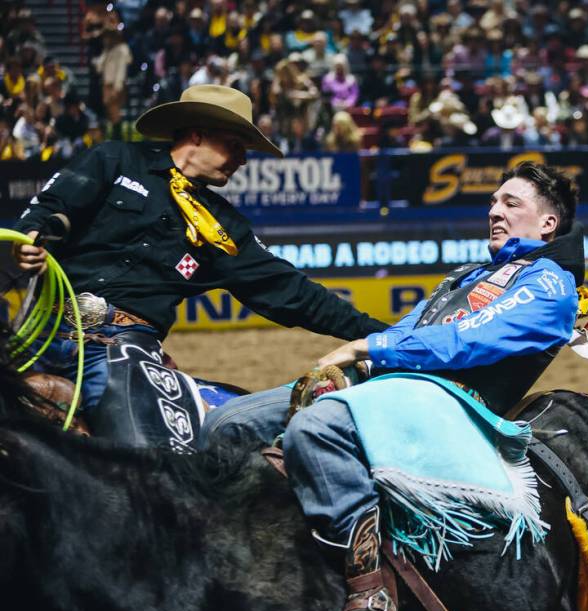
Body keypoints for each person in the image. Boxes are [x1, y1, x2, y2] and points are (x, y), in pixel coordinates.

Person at [209, 162, 583, 611]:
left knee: (315, 430)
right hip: (386, 389)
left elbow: (467, 340)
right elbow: (412, 330)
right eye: (492, 202)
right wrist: (359, 364)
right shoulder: (467, 275)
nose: (494, 211)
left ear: (548, 224)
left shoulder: (551, 281)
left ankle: (371, 595)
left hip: (449, 401)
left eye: (511, 203)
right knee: (226, 424)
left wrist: (367, 350)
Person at [12, 84, 388, 447]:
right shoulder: (114, 159)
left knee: (149, 466)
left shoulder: (223, 227)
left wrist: (384, 337)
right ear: (197, 135)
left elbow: (295, 294)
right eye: (235, 146)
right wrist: (30, 236)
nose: (242, 160)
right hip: (41, 329)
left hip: (121, 348)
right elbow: (49, 209)